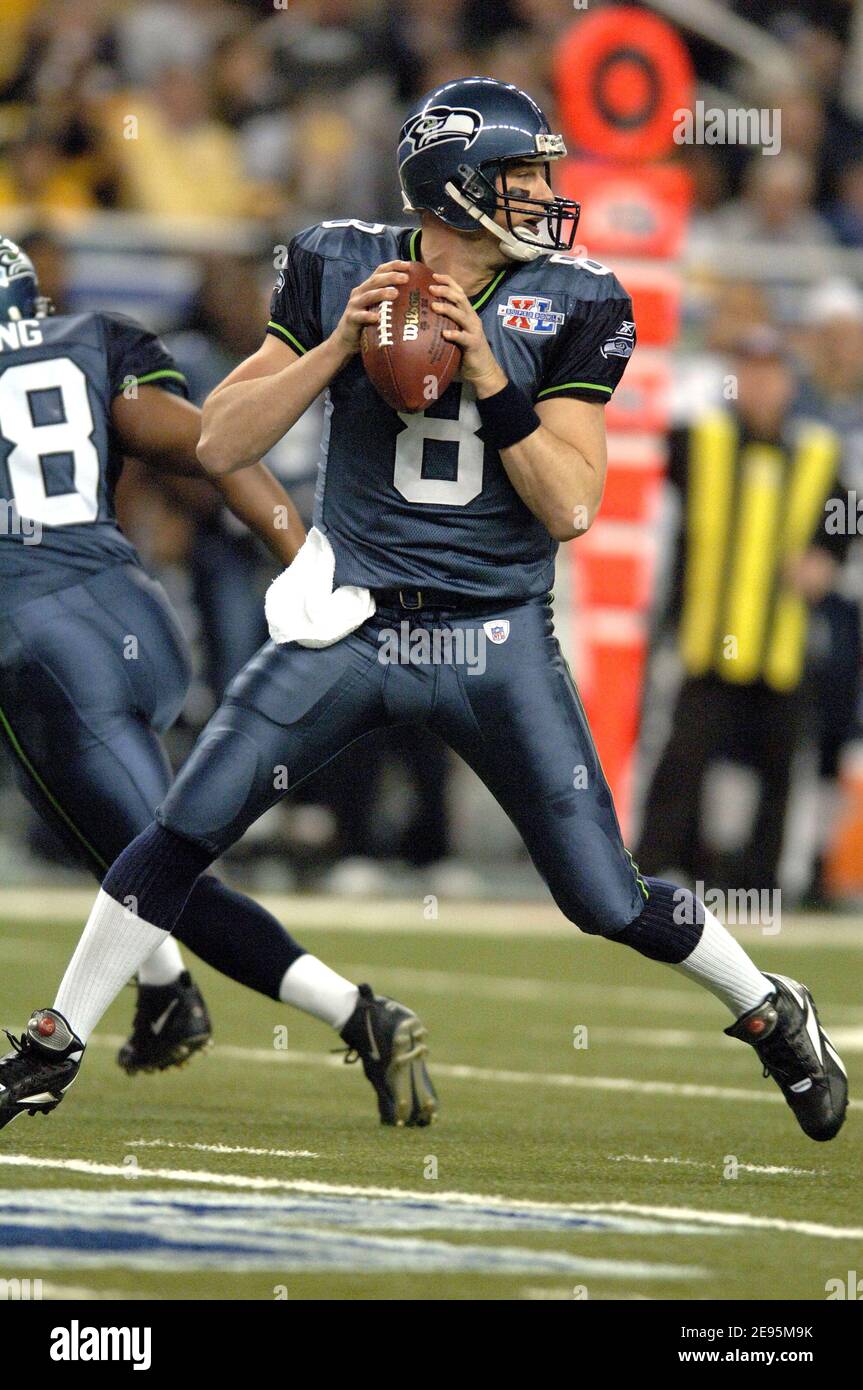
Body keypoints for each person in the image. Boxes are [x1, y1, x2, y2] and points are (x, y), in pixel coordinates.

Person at [0, 79, 847, 1143]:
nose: (544, 193)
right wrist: (332, 352)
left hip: (492, 633)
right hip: (352, 619)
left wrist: (493, 379)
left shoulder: (575, 299)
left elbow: (572, 503)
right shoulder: (337, 263)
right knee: (178, 832)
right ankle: (53, 1044)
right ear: (457, 189)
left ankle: (770, 1010)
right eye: (522, 174)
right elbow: (219, 443)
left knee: (602, 896)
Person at [0, 236, 433, 1122]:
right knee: (99, 823)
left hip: (41, 646)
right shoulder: (94, 339)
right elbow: (215, 447)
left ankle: (359, 1015)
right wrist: (303, 553)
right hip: (136, 621)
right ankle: (163, 994)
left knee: (159, 870)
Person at [636, 328, 848, 893]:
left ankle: (762, 883)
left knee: (779, 771)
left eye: (771, 373)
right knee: (683, 760)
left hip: (780, 640)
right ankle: (651, 872)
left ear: (788, 383)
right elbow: (636, 459)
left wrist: (826, 558)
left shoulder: (816, 451)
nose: (759, 385)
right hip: (708, 634)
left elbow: (845, 520)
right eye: (749, 371)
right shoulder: (698, 439)